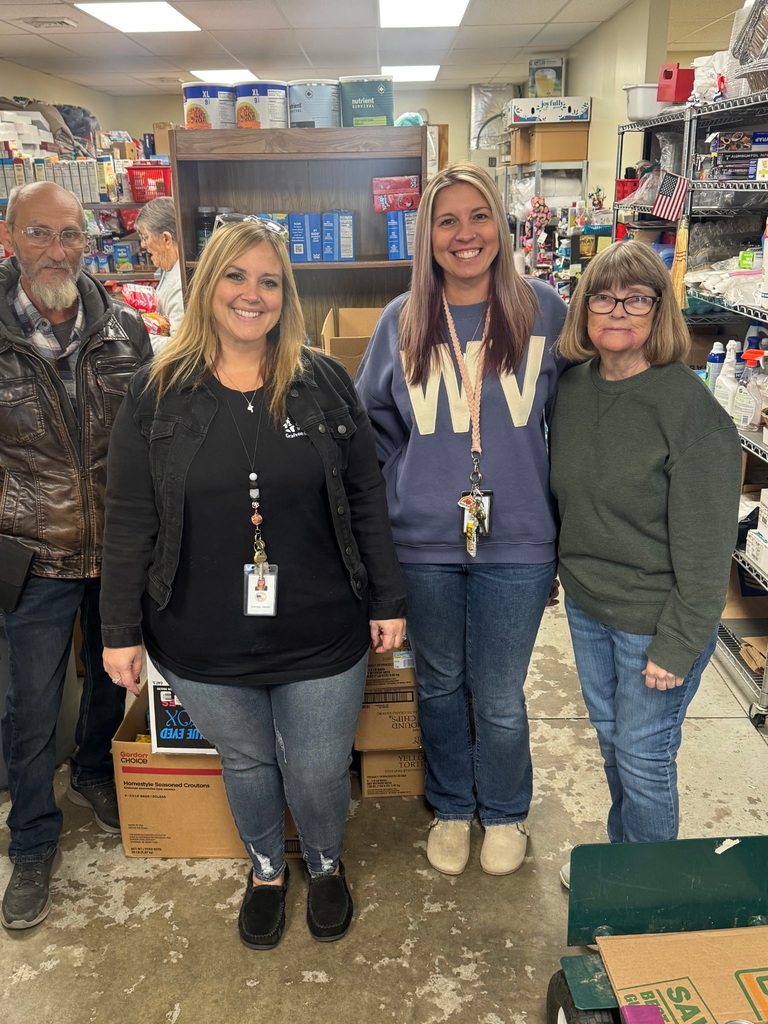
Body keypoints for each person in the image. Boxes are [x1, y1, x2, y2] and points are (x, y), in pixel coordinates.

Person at [100, 219, 406, 949]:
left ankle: (325, 863)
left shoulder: (323, 381)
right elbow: (128, 517)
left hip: (322, 626)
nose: (252, 294)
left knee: (320, 766)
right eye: (236, 276)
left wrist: (388, 599)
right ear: (208, 288)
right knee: (244, 760)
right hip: (199, 635)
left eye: (269, 280)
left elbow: (365, 493)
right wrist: (118, 631)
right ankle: (268, 868)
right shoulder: (157, 392)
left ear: (285, 295)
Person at [356, 163, 568, 877]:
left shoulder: (544, 310)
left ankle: (504, 811)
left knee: (500, 691)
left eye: (478, 216)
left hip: (517, 543)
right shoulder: (402, 320)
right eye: (447, 221)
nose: (465, 234)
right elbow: (372, 432)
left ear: (501, 227)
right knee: (440, 683)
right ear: (428, 237)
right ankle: (452, 805)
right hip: (422, 543)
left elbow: (571, 424)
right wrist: (400, 498)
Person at [549, 240, 741, 884]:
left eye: (637, 298)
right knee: (613, 744)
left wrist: (679, 643)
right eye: (603, 297)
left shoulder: (690, 412)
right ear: (584, 309)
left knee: (644, 755)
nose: (618, 310)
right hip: (588, 603)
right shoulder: (572, 389)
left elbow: (710, 549)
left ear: (660, 312)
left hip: (654, 621)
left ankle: (650, 888)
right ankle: (622, 865)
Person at [0, 181, 152, 930]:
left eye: (70, 235)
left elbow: (150, 438)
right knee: (28, 709)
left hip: (116, 549)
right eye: (39, 234)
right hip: (30, 555)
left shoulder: (126, 328)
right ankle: (31, 840)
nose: (57, 250)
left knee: (110, 679)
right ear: (9, 237)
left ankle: (96, 770)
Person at [135, 196, 184, 348]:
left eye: (145, 237)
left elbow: (177, 348)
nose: (143, 244)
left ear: (166, 239)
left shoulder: (180, 286)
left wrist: (135, 336)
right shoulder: (169, 268)